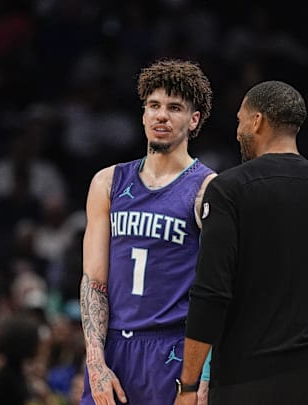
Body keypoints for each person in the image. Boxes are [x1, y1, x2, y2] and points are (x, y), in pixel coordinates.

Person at [174, 80, 308, 405]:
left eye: (239, 120)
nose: (237, 132)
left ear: (257, 121)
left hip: (249, 379)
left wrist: (189, 386)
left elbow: (210, 293)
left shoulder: (229, 190)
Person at [80, 58, 216, 405]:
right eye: (154, 106)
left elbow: (220, 288)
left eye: (174, 108)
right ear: (143, 114)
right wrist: (95, 362)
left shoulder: (208, 189)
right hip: (114, 348)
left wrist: (206, 373)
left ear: (194, 120)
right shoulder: (107, 182)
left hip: (174, 350)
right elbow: (94, 282)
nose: (161, 116)